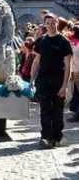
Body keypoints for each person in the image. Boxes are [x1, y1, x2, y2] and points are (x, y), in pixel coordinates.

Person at [30, 13, 72, 149]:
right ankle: (45, 137)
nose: (50, 26)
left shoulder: (64, 42)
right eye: (47, 23)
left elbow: (68, 66)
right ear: (45, 25)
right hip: (43, 80)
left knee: (57, 111)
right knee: (44, 109)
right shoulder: (41, 41)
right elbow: (36, 61)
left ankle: (57, 136)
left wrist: (65, 85)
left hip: (58, 80)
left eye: (52, 23)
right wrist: (31, 78)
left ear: (57, 24)